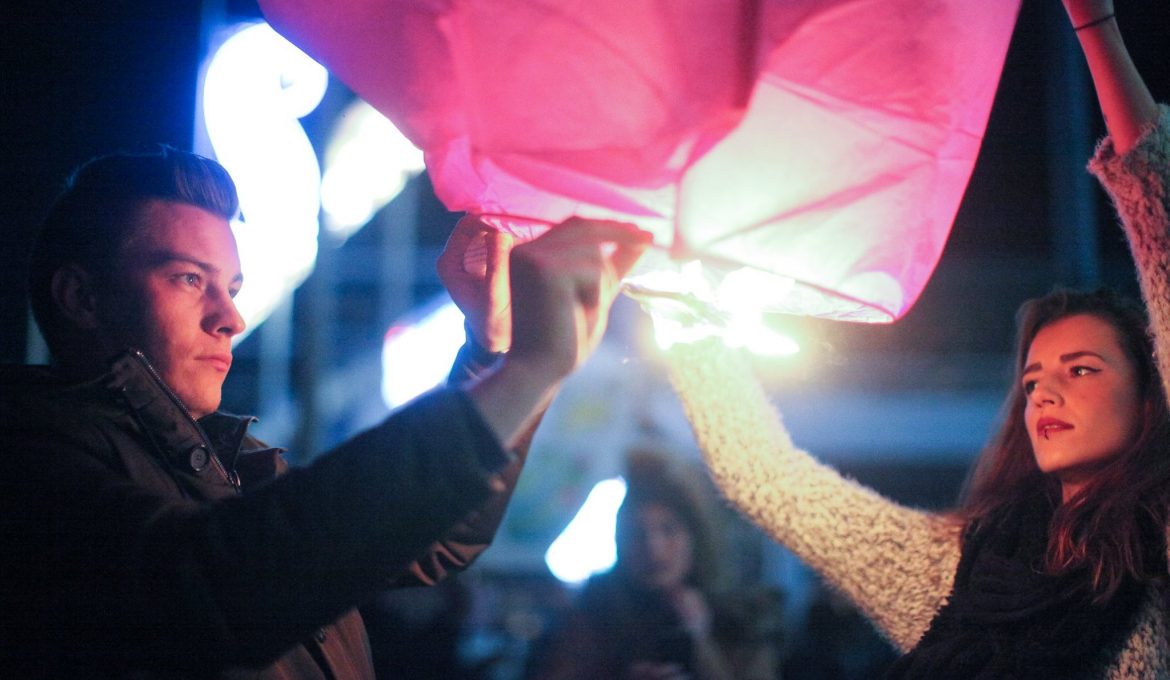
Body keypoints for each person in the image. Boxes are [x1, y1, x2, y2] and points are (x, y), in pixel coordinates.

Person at [0, 147, 650, 678]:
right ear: (80, 296)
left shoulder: (228, 469)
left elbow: (432, 541)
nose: (230, 318)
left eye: (231, 288)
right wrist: (529, 371)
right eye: (189, 279)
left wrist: (494, 355)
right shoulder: (31, 457)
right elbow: (216, 583)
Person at [659, 1, 1170, 678]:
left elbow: (1161, 223)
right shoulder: (957, 570)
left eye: (1080, 370)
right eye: (1032, 378)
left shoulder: (1158, 550)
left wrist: (1095, 23)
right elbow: (767, 479)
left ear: (1148, 399)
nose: (1044, 388)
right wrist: (670, 296)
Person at [530, 451, 782, 680]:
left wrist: (701, 642)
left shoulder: (743, 617)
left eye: (668, 530)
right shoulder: (593, 612)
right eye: (637, 534)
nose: (654, 548)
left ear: (694, 537)